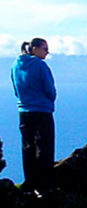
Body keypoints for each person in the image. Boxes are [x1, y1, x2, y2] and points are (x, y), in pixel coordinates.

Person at [10, 38, 57, 196]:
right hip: (42, 111)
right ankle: (44, 186)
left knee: (28, 147)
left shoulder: (15, 65)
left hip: (24, 111)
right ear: (35, 48)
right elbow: (49, 89)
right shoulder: (40, 65)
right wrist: (49, 99)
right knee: (44, 148)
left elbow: (16, 89)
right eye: (45, 49)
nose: (47, 53)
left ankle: (30, 183)